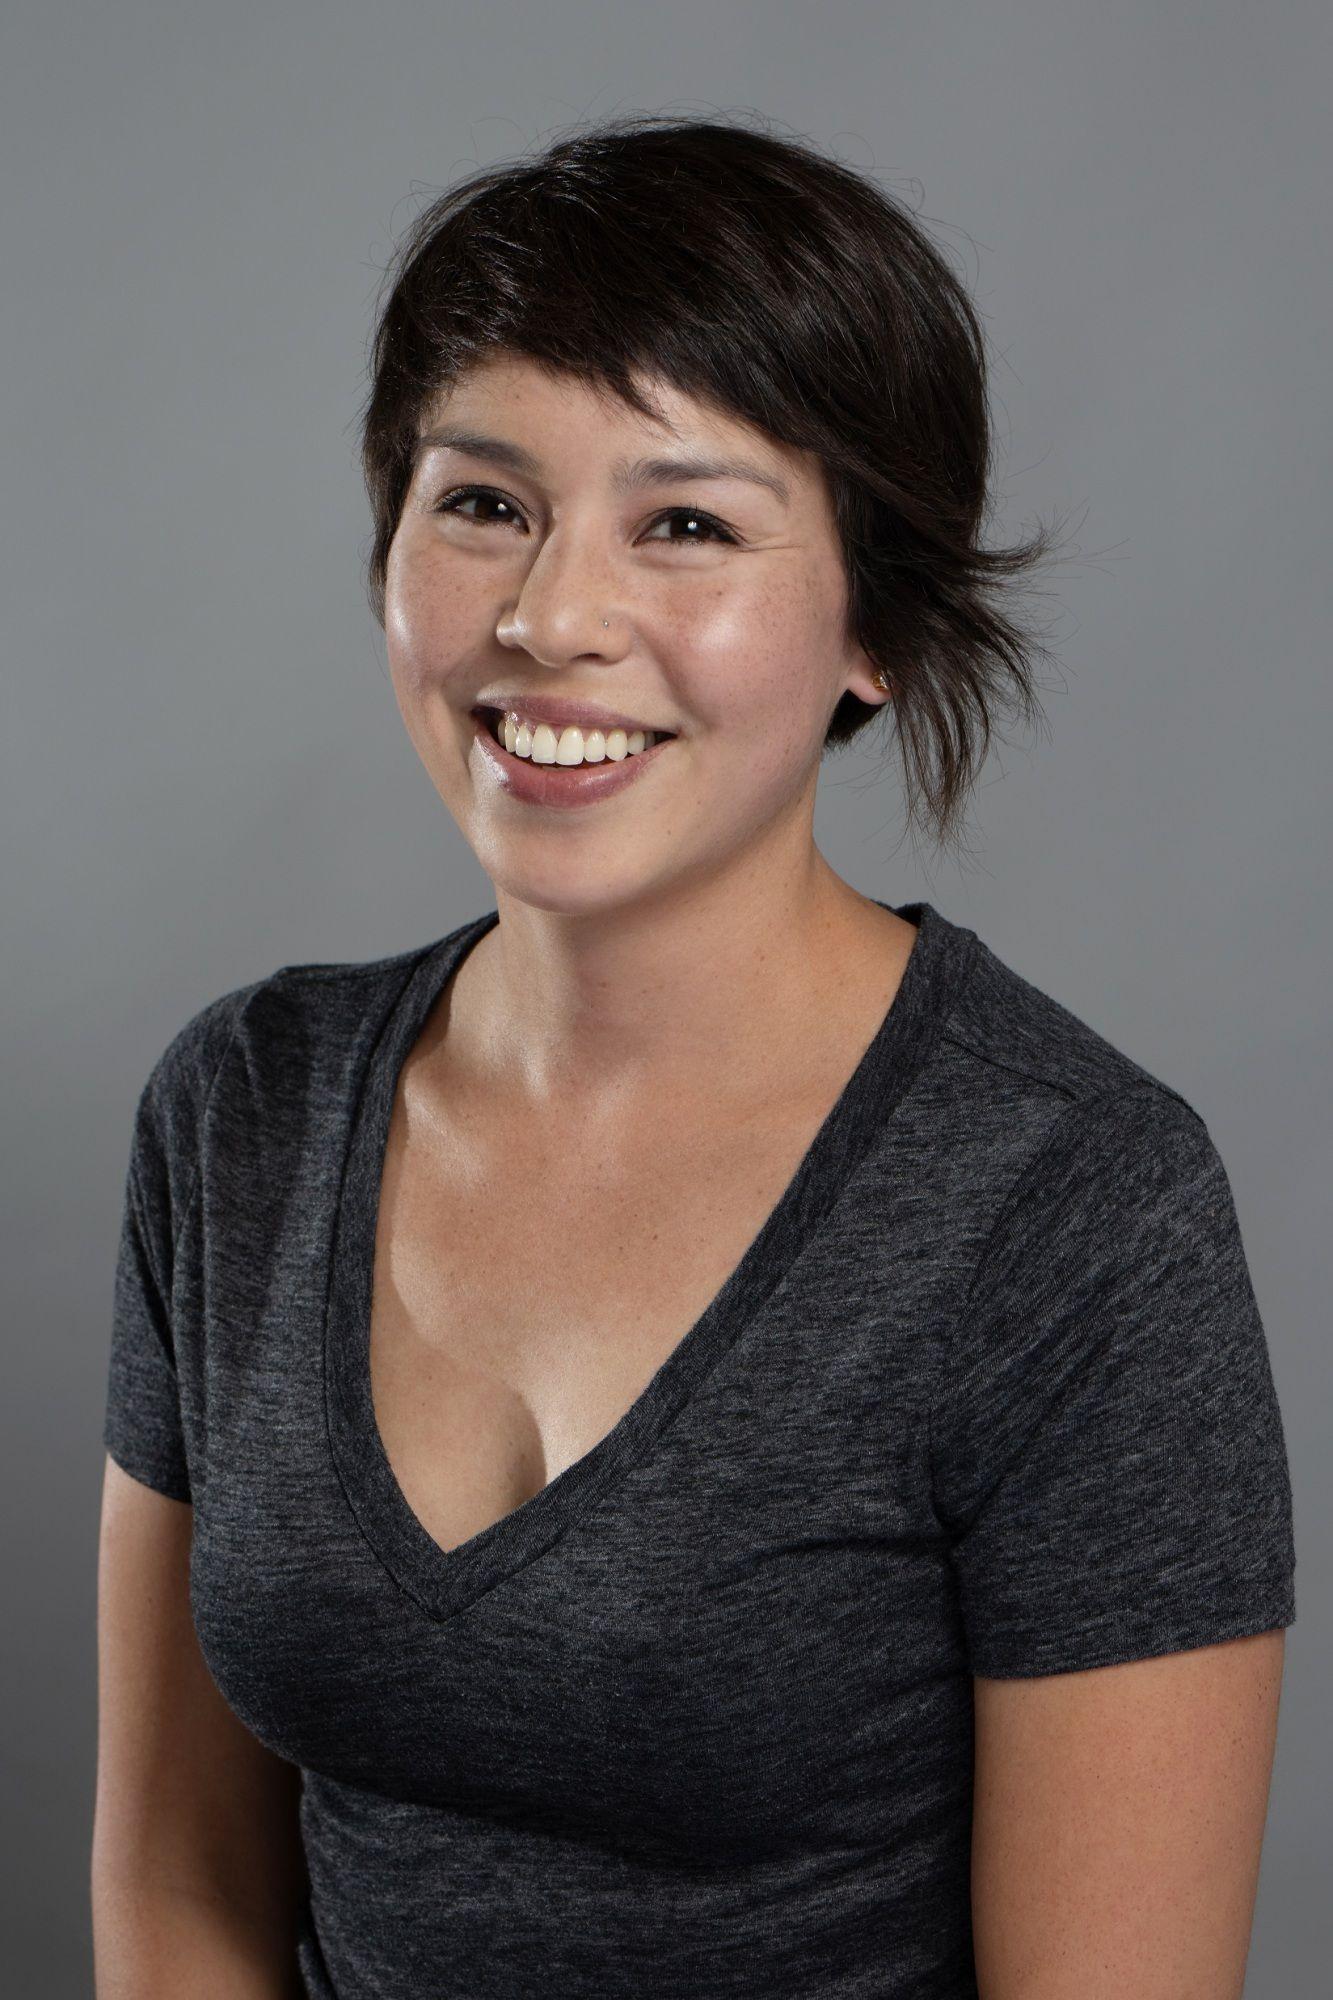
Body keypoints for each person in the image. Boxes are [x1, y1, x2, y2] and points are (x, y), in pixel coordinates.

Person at [93, 113, 1296, 1999]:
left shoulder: (1069, 1203)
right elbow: (182, 1885)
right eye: (481, 503)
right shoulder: (244, 1106)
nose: (550, 618)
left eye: (686, 525)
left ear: (876, 623)